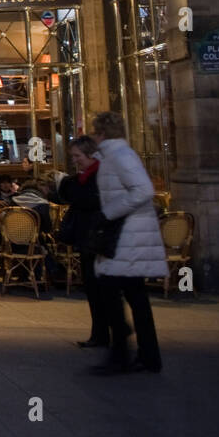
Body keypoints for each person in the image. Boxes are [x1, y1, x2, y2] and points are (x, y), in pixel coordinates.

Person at [88, 112, 166, 374]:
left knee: (109, 289)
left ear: (100, 133)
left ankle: (121, 349)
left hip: (125, 235)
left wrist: (108, 213)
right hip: (127, 234)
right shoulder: (116, 155)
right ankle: (147, 355)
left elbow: (143, 190)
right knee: (135, 296)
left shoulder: (119, 156)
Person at [58, 136, 110, 349]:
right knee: (93, 288)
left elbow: (85, 200)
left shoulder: (99, 177)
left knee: (101, 289)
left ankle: (105, 334)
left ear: (90, 154)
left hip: (97, 238)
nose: (75, 160)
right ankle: (100, 333)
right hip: (88, 237)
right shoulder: (84, 176)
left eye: (77, 156)